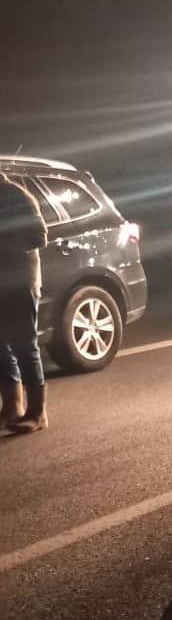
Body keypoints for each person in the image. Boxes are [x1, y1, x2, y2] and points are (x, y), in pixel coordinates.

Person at [0, 174, 48, 433]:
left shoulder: (17, 195)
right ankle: (12, 407)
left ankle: (37, 413)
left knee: (24, 345)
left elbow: (39, 236)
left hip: (20, 281)